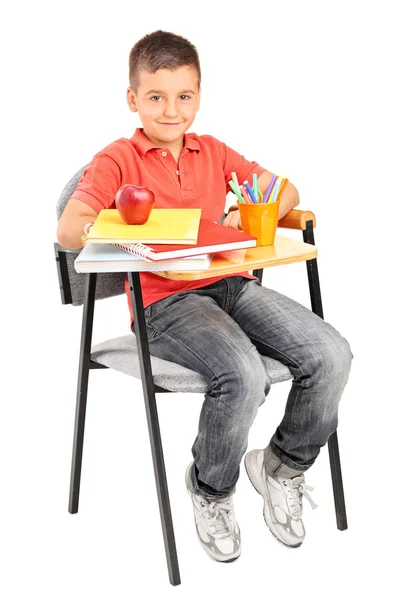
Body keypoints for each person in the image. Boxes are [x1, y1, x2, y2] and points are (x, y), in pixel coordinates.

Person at [57, 30, 353, 563]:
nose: (171, 110)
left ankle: (281, 464)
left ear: (198, 95)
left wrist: (249, 209)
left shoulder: (212, 151)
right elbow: (69, 228)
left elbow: (284, 190)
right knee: (244, 376)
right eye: (156, 97)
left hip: (232, 286)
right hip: (164, 304)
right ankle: (211, 491)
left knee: (331, 354)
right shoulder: (117, 160)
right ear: (133, 99)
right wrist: (120, 230)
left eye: (184, 97)